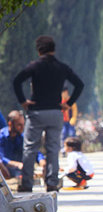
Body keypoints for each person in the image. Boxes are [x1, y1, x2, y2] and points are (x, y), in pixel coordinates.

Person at [13, 35, 84, 193]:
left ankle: (27, 183)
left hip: (36, 112)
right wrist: (68, 104)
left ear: (39, 50)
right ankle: (52, 183)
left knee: (30, 148)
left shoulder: (34, 66)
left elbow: (17, 81)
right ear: (53, 49)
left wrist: (23, 101)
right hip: (55, 112)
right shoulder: (62, 67)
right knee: (53, 148)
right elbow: (79, 84)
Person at [0, 111, 26, 179]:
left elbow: (32, 151)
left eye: (23, 125)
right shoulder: (1, 137)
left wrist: (41, 160)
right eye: (19, 125)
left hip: (17, 174)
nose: (22, 128)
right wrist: (16, 164)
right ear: (10, 124)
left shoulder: (21, 137)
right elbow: (1, 158)